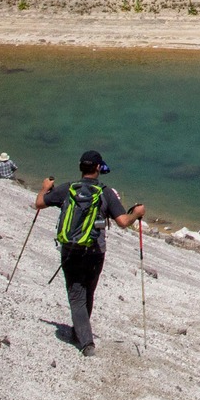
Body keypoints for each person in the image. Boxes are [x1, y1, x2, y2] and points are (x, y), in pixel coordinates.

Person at [36, 150, 144, 356]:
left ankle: (82, 336)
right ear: (98, 168)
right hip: (95, 252)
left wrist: (44, 188)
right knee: (87, 293)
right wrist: (136, 213)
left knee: (76, 295)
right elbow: (123, 222)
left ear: (80, 167)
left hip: (70, 249)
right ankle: (85, 340)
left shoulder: (67, 189)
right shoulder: (106, 192)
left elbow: (39, 203)